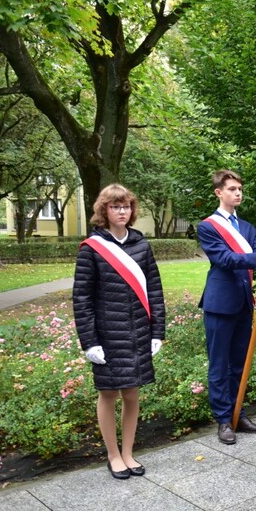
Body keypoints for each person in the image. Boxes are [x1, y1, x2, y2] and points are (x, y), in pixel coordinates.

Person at [72, 184, 166, 480]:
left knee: (132, 393)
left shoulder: (142, 244)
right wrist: (90, 342)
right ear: (104, 210)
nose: (122, 211)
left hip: (138, 331)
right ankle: (113, 455)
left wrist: (157, 333)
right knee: (109, 393)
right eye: (115, 206)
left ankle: (128, 453)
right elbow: (82, 299)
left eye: (125, 206)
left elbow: (155, 291)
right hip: (107, 334)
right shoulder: (92, 248)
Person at [197, 169, 256, 445]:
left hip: (243, 303)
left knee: (239, 365)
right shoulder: (208, 226)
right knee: (219, 365)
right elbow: (225, 259)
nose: (238, 193)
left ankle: (238, 414)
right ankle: (223, 420)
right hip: (220, 304)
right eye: (232, 189)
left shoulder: (247, 228)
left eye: (240, 189)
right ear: (219, 193)